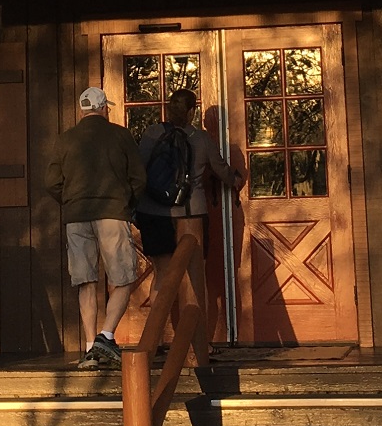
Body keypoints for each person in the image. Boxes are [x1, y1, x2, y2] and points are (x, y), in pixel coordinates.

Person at [135, 88, 243, 352]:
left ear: (168, 109)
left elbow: (137, 170)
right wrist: (238, 180)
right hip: (190, 213)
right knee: (194, 276)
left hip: (154, 213)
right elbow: (221, 171)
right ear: (193, 112)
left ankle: (155, 340)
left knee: (162, 274)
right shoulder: (202, 138)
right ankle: (198, 343)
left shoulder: (151, 133)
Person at [46, 86, 146, 369]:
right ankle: (107, 335)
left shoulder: (65, 140)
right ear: (104, 108)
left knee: (85, 281)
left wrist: (71, 200)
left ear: (82, 110)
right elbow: (139, 178)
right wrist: (128, 203)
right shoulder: (120, 135)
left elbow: (51, 182)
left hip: (76, 216)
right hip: (112, 214)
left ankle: (90, 347)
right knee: (124, 277)